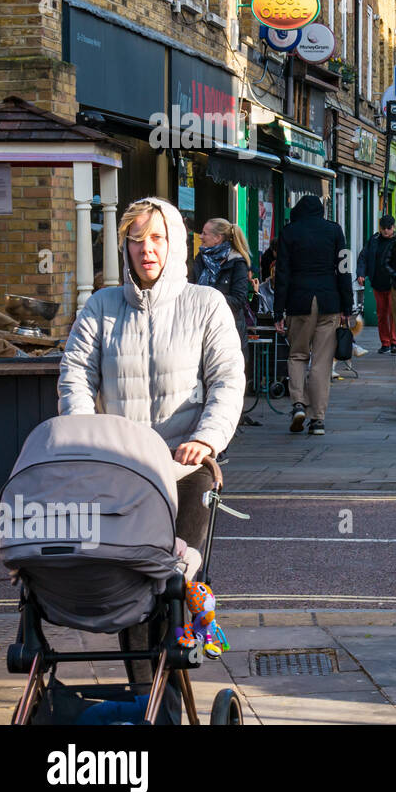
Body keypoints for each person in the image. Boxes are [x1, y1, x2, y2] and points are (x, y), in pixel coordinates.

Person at [58, 197, 244, 650]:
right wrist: (88, 437)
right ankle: (147, 697)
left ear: (176, 243)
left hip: (186, 465)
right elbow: (76, 374)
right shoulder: (101, 306)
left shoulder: (207, 304)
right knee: (131, 582)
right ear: (125, 248)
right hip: (122, 467)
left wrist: (207, 437)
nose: (147, 249)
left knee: (176, 573)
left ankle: (177, 661)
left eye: (157, 238)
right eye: (136, 240)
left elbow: (227, 378)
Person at [274, 194, 356, 436]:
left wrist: (278, 311)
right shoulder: (335, 230)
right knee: (321, 363)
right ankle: (317, 420)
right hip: (329, 301)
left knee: (297, 355)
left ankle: (298, 403)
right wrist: (347, 306)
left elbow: (282, 274)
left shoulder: (289, 232)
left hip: (298, 301)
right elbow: (344, 269)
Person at [192, 218, 252, 352]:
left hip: (228, 333)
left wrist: (209, 298)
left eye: (204, 233)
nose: (200, 237)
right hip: (199, 329)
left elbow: (239, 300)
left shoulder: (237, 262)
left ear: (217, 238)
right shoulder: (200, 258)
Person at [357, 214, 396, 353]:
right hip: (377, 282)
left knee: (394, 314)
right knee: (381, 314)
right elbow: (363, 256)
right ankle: (385, 342)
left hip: (394, 283)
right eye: (383, 228)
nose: (386, 231)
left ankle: (394, 342)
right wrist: (361, 273)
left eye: (389, 228)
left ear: (393, 227)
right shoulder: (374, 240)